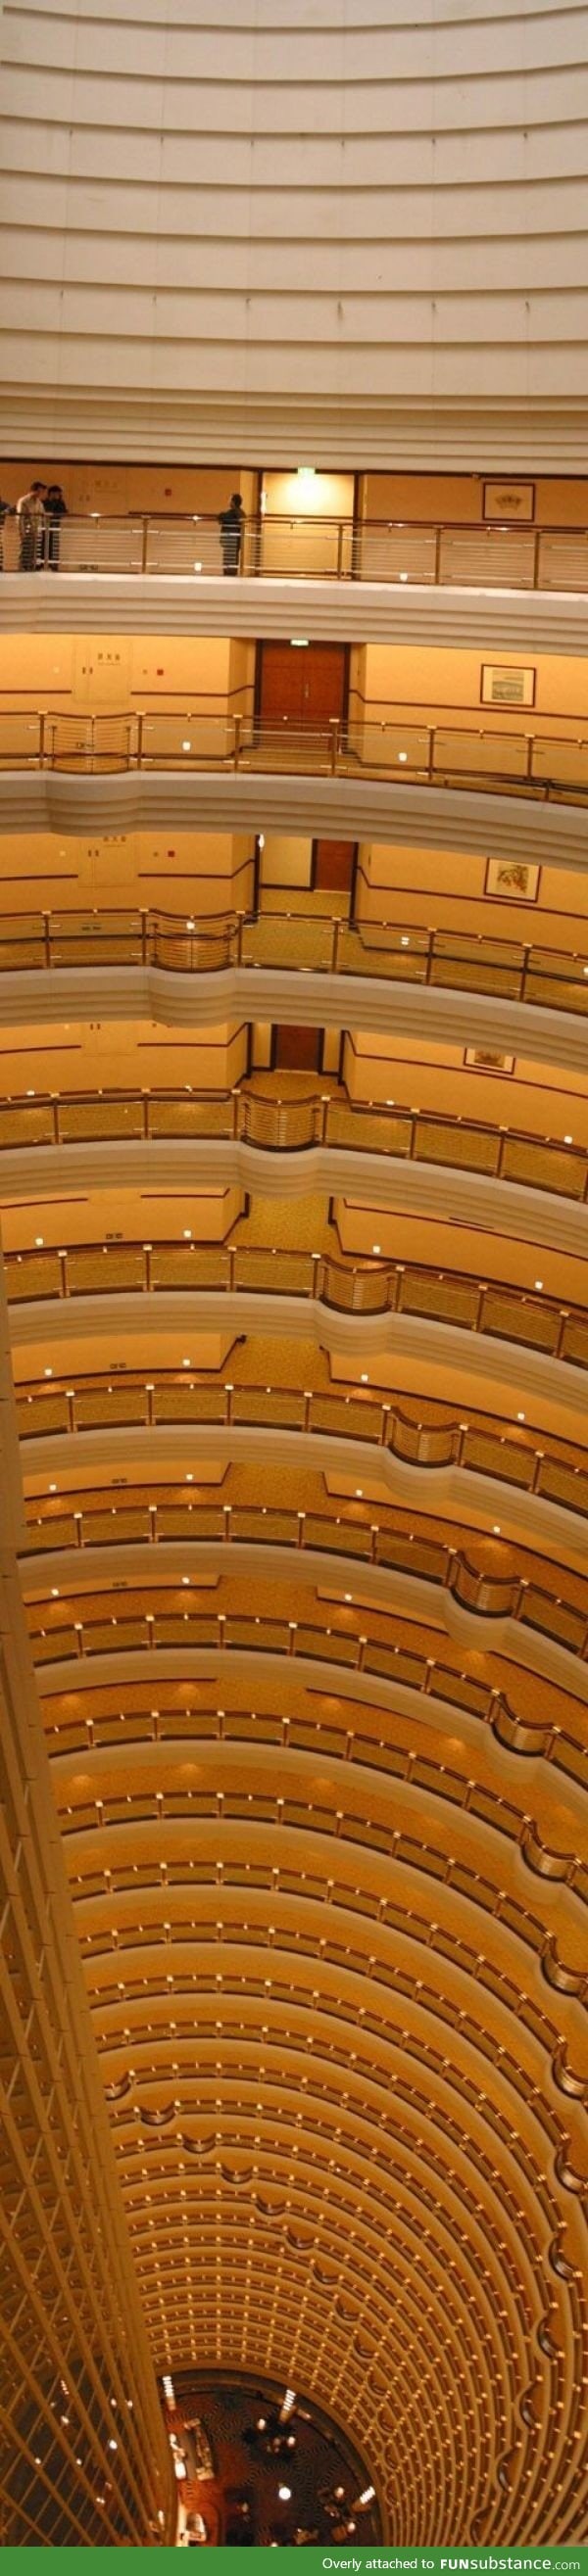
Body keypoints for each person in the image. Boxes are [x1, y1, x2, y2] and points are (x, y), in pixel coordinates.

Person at [16, 480, 46, 570]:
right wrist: (22, 531)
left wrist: (41, 529)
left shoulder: (39, 503)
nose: (41, 493)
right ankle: (21, 568)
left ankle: (31, 568)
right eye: (40, 491)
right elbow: (20, 518)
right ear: (34, 490)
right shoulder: (24, 501)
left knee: (34, 551)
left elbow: (42, 515)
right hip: (26, 529)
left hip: (35, 530)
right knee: (24, 550)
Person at [219, 491, 244, 575]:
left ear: (233, 502)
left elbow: (222, 517)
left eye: (230, 499)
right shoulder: (241, 513)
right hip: (234, 541)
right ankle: (231, 575)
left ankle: (229, 577)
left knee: (228, 563)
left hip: (230, 541)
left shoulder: (233, 513)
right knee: (233, 562)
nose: (228, 501)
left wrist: (221, 516)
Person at [44, 482, 68, 569]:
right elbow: (46, 511)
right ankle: (44, 564)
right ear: (51, 493)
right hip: (45, 528)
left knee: (55, 546)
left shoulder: (61, 503)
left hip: (56, 527)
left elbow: (63, 513)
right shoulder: (45, 502)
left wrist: (58, 501)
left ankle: (54, 565)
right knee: (45, 545)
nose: (58, 495)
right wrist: (53, 502)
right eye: (57, 493)